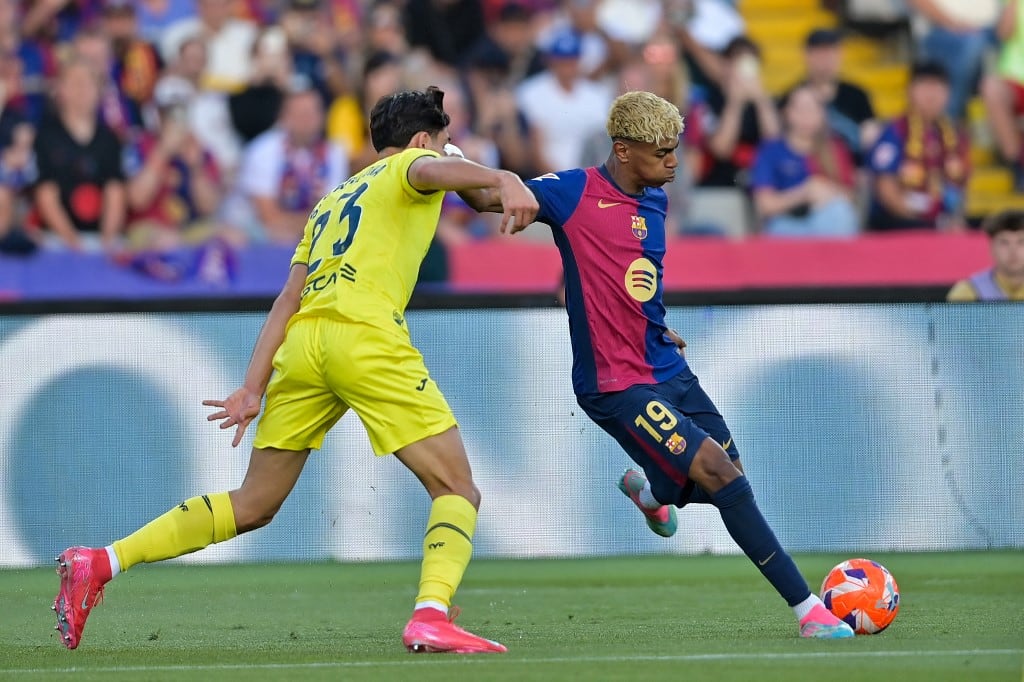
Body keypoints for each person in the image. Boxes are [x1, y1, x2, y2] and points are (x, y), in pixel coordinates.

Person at [51, 86, 539, 654]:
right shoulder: (413, 164)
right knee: (456, 487)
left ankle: (101, 562)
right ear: (423, 139)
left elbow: (288, 297)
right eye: (443, 143)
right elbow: (429, 170)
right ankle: (430, 613)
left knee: (253, 502)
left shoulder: (331, 201)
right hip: (364, 335)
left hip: (305, 342)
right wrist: (504, 177)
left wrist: (251, 386)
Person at [458, 90, 855, 639]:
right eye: (661, 153)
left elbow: (630, 278)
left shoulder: (656, 200)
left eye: (676, 150)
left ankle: (653, 494)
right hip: (616, 383)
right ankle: (809, 611)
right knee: (716, 473)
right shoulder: (574, 192)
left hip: (665, 365)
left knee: (729, 475)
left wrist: (651, 322)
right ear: (622, 150)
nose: (674, 162)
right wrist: (466, 166)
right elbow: (487, 200)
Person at [751, 85, 859, 238]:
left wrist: (827, 191)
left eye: (812, 108)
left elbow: (850, 198)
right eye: (800, 109)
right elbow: (764, 205)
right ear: (787, 112)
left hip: (826, 223)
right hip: (785, 225)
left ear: (822, 114)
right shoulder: (771, 150)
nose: (806, 116)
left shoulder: (835, 148)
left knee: (840, 212)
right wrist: (803, 193)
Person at [947, 209, 1024, 301]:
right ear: (992, 248)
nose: (1013, 250)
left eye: (1021, 242)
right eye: (1004, 242)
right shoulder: (968, 292)